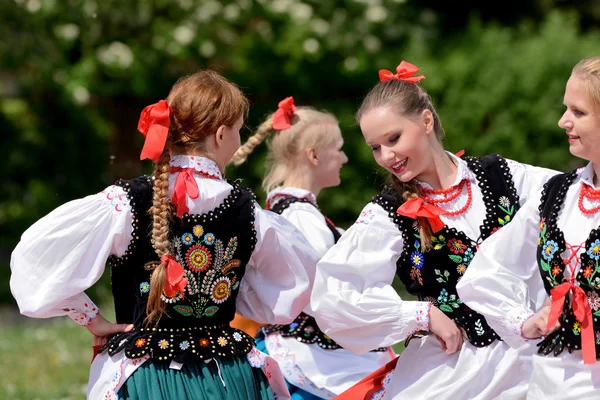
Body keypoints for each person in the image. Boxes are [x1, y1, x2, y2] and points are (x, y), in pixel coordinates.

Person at [10, 70, 320, 400]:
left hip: (146, 376)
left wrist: (92, 319)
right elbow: (292, 288)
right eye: (238, 130)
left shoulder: (125, 202)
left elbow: (38, 261)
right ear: (219, 135)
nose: (239, 141)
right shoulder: (249, 211)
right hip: (226, 375)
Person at [309, 61, 559, 399]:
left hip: (538, 358)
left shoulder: (503, 176)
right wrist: (422, 314)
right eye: (375, 147)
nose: (386, 156)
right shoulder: (388, 214)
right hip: (457, 374)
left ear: (426, 120)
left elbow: (574, 204)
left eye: (393, 138)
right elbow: (335, 295)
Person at [231, 97, 394, 399]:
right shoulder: (300, 217)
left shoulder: (288, 210)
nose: (344, 158)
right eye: (339, 148)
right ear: (314, 156)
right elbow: (320, 295)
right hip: (319, 362)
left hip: (311, 355)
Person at [457, 57, 600, 399]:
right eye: (566, 109)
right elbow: (487, 271)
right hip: (553, 381)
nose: (563, 120)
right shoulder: (556, 194)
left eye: (578, 112)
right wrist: (524, 320)